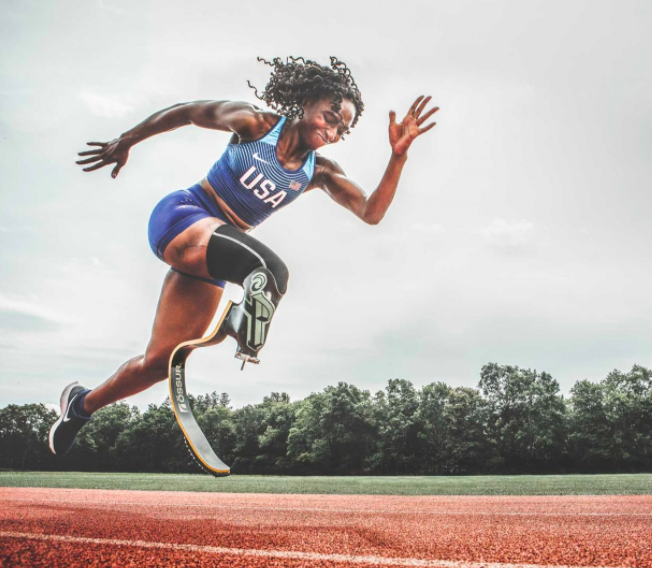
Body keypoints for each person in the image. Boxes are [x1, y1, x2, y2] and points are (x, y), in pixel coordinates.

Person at [48, 56, 438, 456]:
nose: (333, 131)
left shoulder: (318, 171)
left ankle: (81, 405)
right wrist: (127, 140)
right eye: (329, 117)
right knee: (271, 272)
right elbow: (186, 112)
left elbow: (371, 212)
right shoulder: (255, 124)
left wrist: (398, 156)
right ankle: (236, 323)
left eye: (342, 129)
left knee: (160, 363)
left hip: (214, 257)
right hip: (183, 217)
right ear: (306, 102)